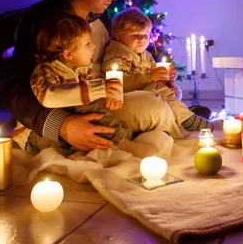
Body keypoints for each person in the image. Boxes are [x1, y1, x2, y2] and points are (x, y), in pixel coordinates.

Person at [1, 0, 183, 154]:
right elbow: (13, 87)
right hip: (63, 108)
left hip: (99, 100)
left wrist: (153, 79)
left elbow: (117, 62)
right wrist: (63, 125)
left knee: (161, 98)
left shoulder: (100, 17)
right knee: (155, 108)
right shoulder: (44, 19)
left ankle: (163, 128)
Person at [12, 14, 156, 158]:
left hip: (68, 133)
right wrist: (97, 89)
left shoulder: (83, 70)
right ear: (68, 53)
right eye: (87, 43)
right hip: (36, 136)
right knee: (84, 106)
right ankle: (120, 142)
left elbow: (86, 97)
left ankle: (110, 142)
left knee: (91, 111)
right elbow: (49, 97)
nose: (93, 46)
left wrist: (104, 99)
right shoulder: (46, 71)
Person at [103, 7, 222, 135]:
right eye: (135, 35)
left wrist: (167, 79)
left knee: (164, 89)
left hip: (148, 94)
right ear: (118, 35)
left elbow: (155, 77)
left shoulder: (145, 55)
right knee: (157, 88)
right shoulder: (117, 55)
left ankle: (185, 118)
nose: (142, 40)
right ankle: (188, 119)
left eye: (145, 35)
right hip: (128, 100)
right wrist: (149, 77)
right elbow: (119, 85)